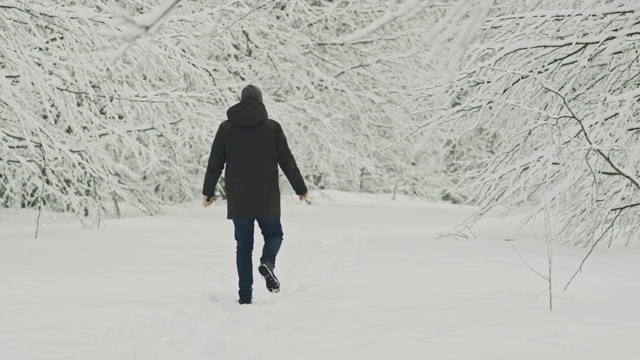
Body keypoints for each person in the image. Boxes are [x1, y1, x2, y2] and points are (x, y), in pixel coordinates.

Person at [202, 85, 308, 305]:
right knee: (274, 235)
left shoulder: (226, 128)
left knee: (243, 245)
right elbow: (287, 161)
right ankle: (267, 262)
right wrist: (300, 188)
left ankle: (245, 295)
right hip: (266, 195)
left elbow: (215, 163)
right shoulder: (272, 128)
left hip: (239, 196)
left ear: (240, 101)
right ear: (260, 102)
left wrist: (208, 191)